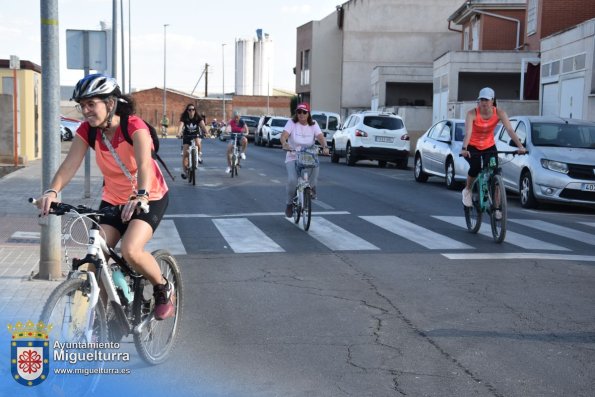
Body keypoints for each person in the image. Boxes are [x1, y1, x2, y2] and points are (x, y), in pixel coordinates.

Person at [35, 73, 174, 320]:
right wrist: (52, 190)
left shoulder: (134, 126)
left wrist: (140, 196)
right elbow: (70, 164)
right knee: (96, 256)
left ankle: (163, 287)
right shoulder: (87, 131)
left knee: (131, 250)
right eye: (82, 105)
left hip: (149, 196)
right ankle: (101, 321)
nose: (86, 110)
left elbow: (144, 165)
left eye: (91, 104)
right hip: (113, 199)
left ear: (110, 103)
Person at [460, 87, 526, 218]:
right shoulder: (472, 114)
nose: (483, 103)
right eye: (481, 100)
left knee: (495, 172)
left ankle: (496, 207)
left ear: (493, 101)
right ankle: (467, 190)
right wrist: (464, 148)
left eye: (486, 100)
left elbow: (510, 130)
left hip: (489, 146)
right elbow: (468, 133)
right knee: (475, 167)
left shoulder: (499, 113)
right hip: (472, 146)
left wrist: (520, 147)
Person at [280, 102, 329, 217]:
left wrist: (325, 146)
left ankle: (311, 187)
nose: (301, 114)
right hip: (293, 155)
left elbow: (320, 137)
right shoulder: (292, 123)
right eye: (299, 112)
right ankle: (289, 204)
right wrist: (285, 143)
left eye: (304, 112)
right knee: (292, 180)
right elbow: (284, 136)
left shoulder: (313, 124)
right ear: (296, 113)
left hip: (309, 156)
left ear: (308, 114)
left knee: (316, 165)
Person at [177, 104, 207, 179]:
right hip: (186, 136)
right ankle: (185, 172)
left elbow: (202, 126)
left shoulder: (198, 117)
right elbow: (181, 126)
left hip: (195, 135)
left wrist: (206, 132)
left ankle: (199, 155)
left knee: (198, 142)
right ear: (187, 111)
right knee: (185, 155)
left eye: (193, 109)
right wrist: (179, 133)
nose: (191, 111)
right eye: (189, 110)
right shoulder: (184, 117)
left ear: (195, 110)